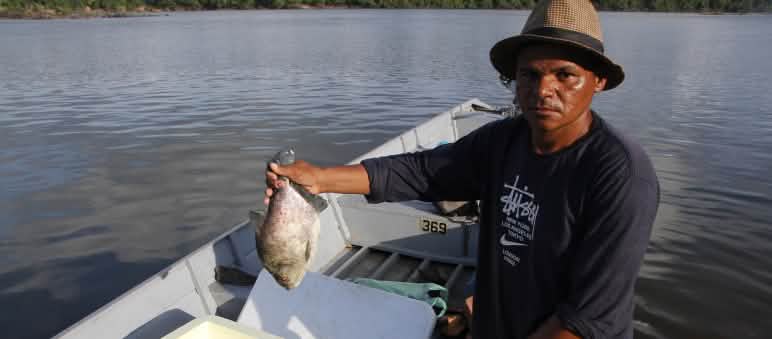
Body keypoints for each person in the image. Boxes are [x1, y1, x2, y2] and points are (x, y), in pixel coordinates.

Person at [264, 0, 659, 338]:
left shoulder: (620, 175)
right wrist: (318, 179)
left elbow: (588, 320)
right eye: (530, 74)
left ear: (597, 80)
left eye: (565, 75)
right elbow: (419, 171)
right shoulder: (503, 141)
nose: (543, 91)